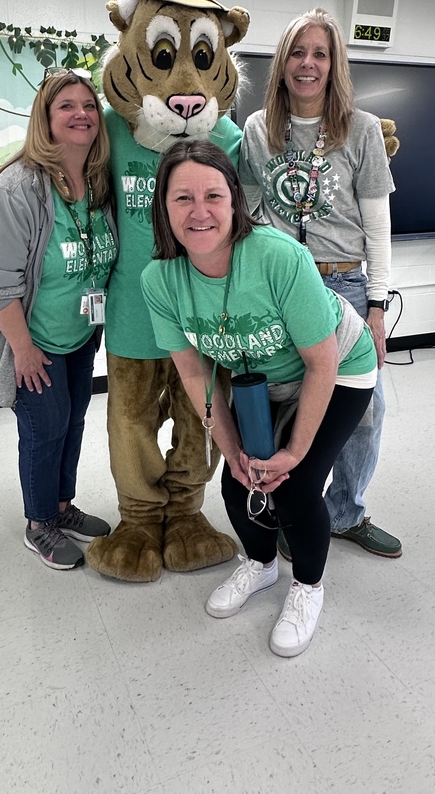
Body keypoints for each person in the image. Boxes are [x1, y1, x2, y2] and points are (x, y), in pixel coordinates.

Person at [140, 140, 377, 657]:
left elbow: (322, 363)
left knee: (294, 487)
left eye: (213, 196)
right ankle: (262, 565)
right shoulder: (159, 280)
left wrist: (293, 453)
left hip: (339, 368)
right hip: (263, 382)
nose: (199, 212)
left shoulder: (277, 256)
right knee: (239, 483)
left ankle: (308, 587)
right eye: (182, 198)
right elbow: (196, 376)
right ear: (163, 206)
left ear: (234, 202)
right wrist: (231, 451)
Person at [239, 8, 402, 558]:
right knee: (290, 400)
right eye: (297, 52)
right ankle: (295, 507)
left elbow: (377, 226)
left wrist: (377, 306)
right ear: (283, 63)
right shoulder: (260, 130)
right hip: (284, 288)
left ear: (335, 66)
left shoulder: (361, 129)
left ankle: (347, 512)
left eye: (320, 54)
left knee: (364, 408)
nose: (307, 64)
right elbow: (250, 213)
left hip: (347, 285)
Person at [0, 69, 117, 570]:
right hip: (33, 339)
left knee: (72, 423)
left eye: (88, 105)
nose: (81, 114)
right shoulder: (18, 188)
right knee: (44, 427)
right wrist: (23, 349)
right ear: (45, 120)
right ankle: (39, 523)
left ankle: (62, 507)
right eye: (66, 106)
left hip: (80, 333)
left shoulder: (95, 181)